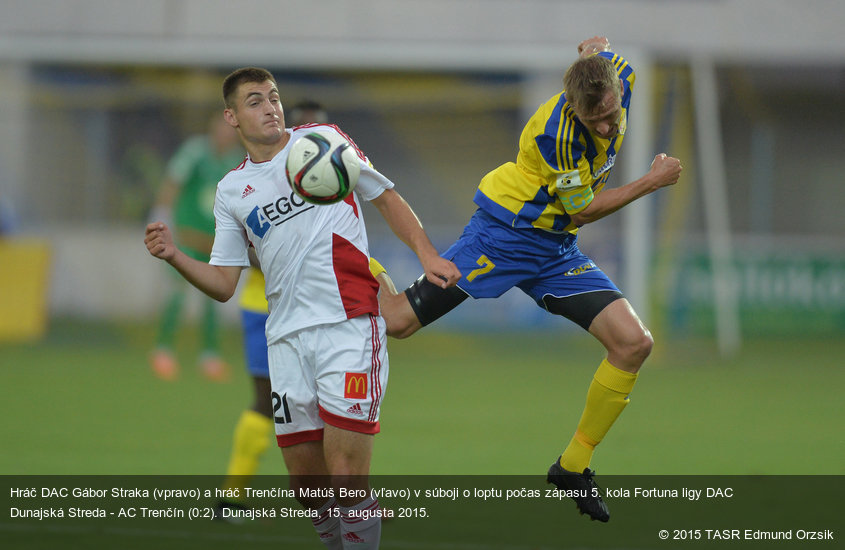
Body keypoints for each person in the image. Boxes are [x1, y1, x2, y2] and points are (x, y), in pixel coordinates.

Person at [145, 67, 459, 548]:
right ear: (231, 116)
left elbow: (386, 196)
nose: (270, 106)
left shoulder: (325, 141)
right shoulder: (232, 191)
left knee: (347, 478)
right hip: (286, 339)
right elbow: (225, 282)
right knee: (309, 490)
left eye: (273, 97)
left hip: (349, 324)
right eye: (254, 101)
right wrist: (174, 255)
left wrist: (427, 253)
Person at [377, 36, 683, 522]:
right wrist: (650, 179)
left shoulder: (618, 75)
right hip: (503, 237)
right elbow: (583, 211)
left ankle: (572, 467)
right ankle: (357, 260)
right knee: (397, 323)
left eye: (610, 114)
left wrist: (592, 50)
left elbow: (598, 53)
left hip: (555, 250)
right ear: (574, 111)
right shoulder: (558, 133)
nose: (606, 126)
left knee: (633, 343)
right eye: (594, 121)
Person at [215, 100, 396, 518]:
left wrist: (374, 268)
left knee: (336, 427)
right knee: (265, 403)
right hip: (268, 308)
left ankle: (350, 505)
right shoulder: (251, 182)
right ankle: (234, 491)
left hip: (330, 309)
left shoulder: (326, 179)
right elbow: (253, 248)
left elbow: (337, 239)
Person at [148, 112, 245, 381]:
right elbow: (173, 182)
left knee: (213, 299)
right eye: (221, 127)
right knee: (177, 294)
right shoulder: (195, 152)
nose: (225, 133)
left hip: (215, 242)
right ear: (213, 127)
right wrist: (162, 214)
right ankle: (163, 351)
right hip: (186, 237)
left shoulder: (236, 160)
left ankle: (210, 356)